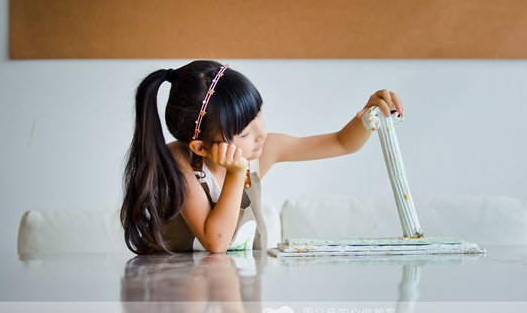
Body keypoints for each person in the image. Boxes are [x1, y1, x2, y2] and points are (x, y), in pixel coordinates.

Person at [121, 60, 403, 254]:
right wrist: (236, 173)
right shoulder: (179, 160)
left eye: (258, 114)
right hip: (185, 296)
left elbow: (341, 143)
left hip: (239, 290)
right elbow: (215, 241)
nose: (261, 133)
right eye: (244, 132)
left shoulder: (262, 149)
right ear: (201, 148)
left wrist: (370, 114)